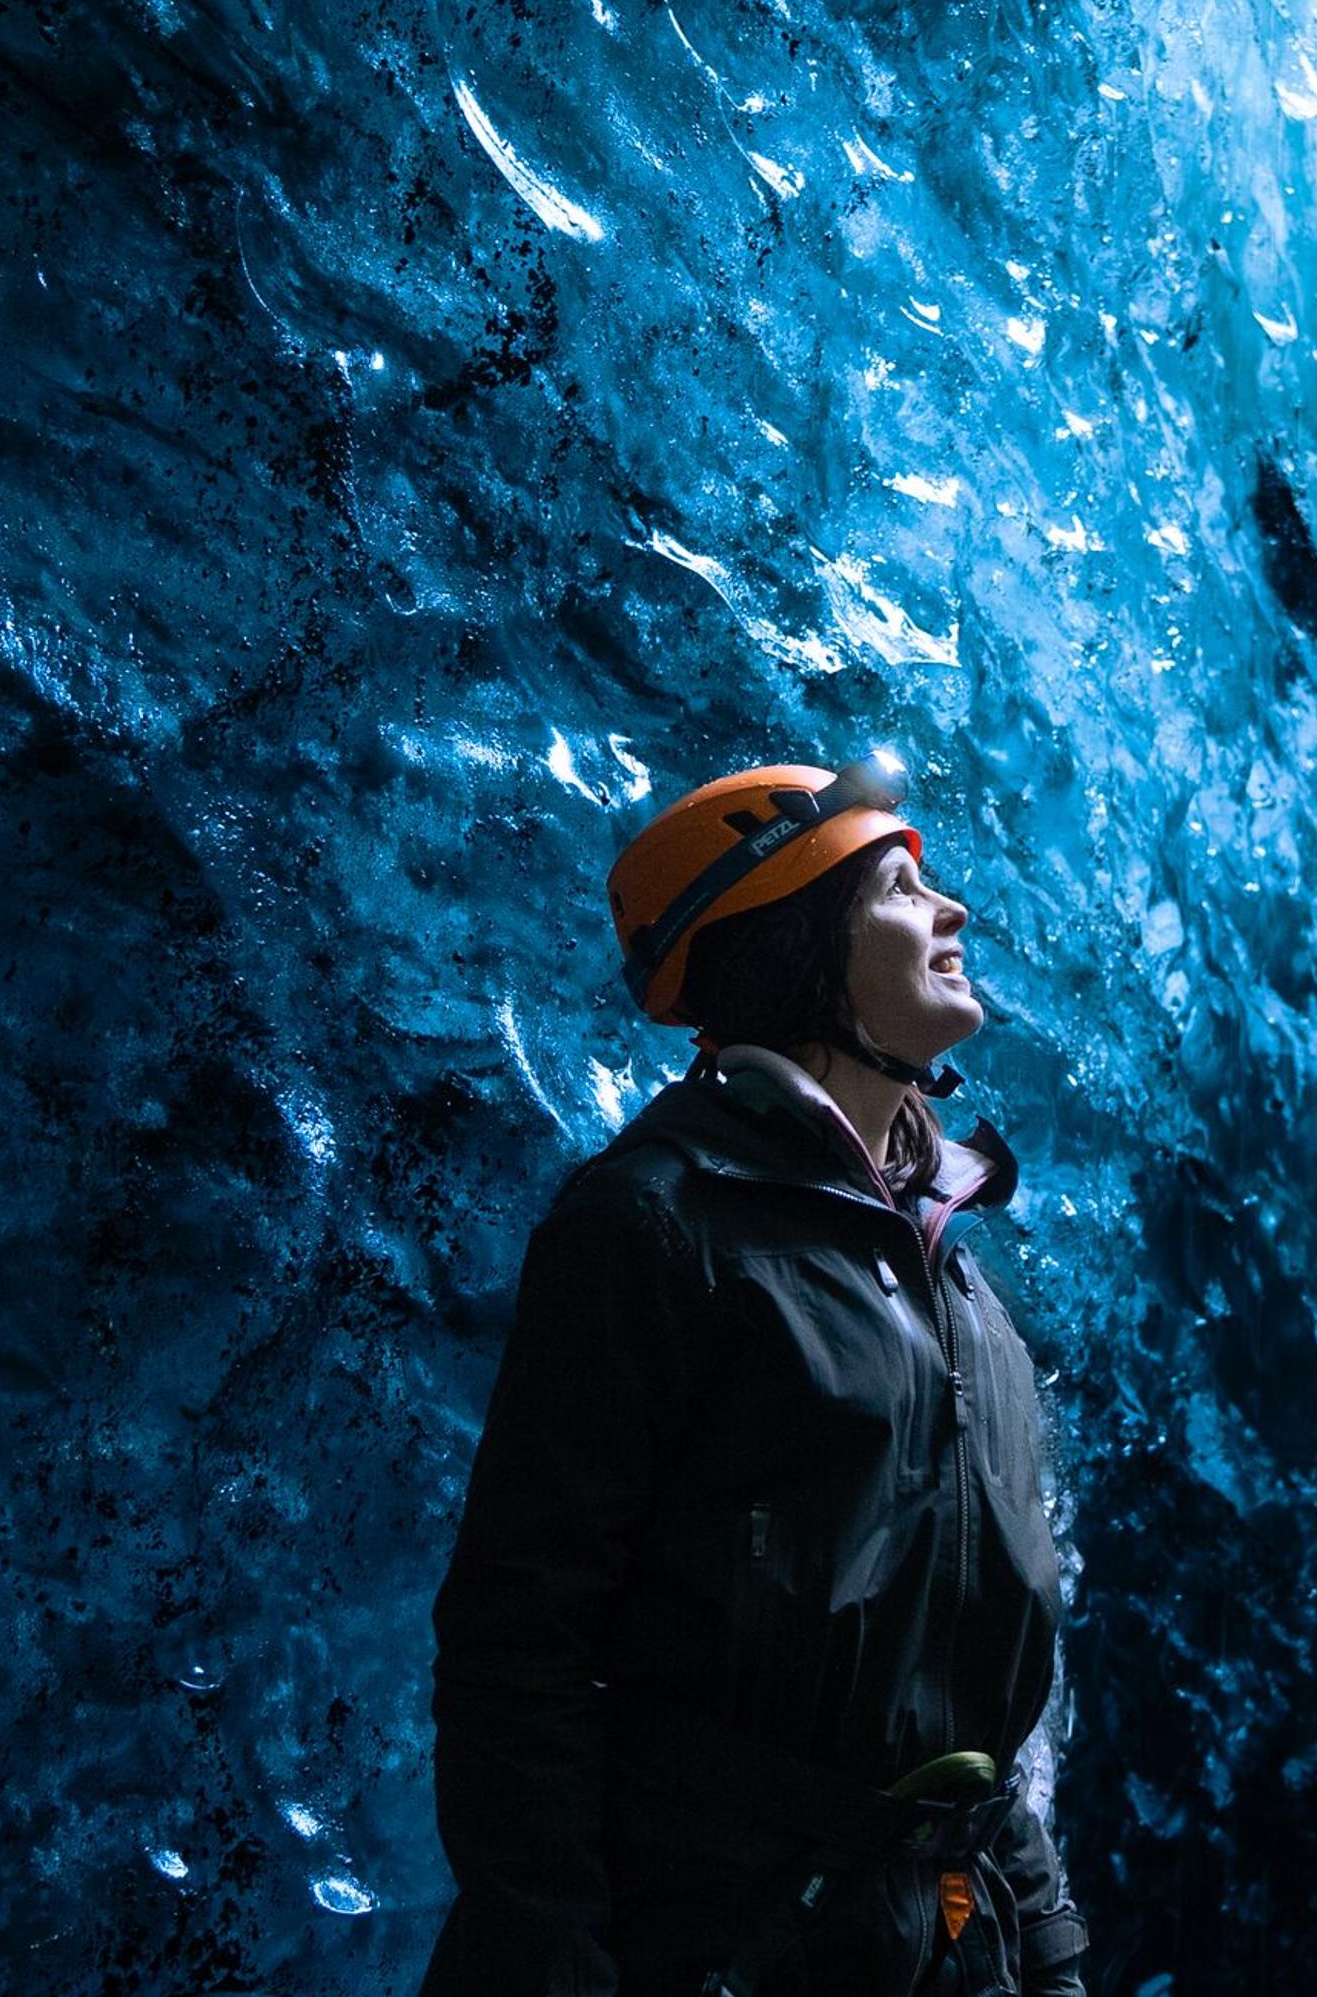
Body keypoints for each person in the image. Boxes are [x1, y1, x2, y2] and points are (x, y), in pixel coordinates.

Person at [423, 754, 1088, 1997]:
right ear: (798, 948)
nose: (951, 914)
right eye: (899, 887)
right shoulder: (658, 1226)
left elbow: (977, 1720)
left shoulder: (967, 1299)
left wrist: (1047, 1961)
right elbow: (521, 1647)